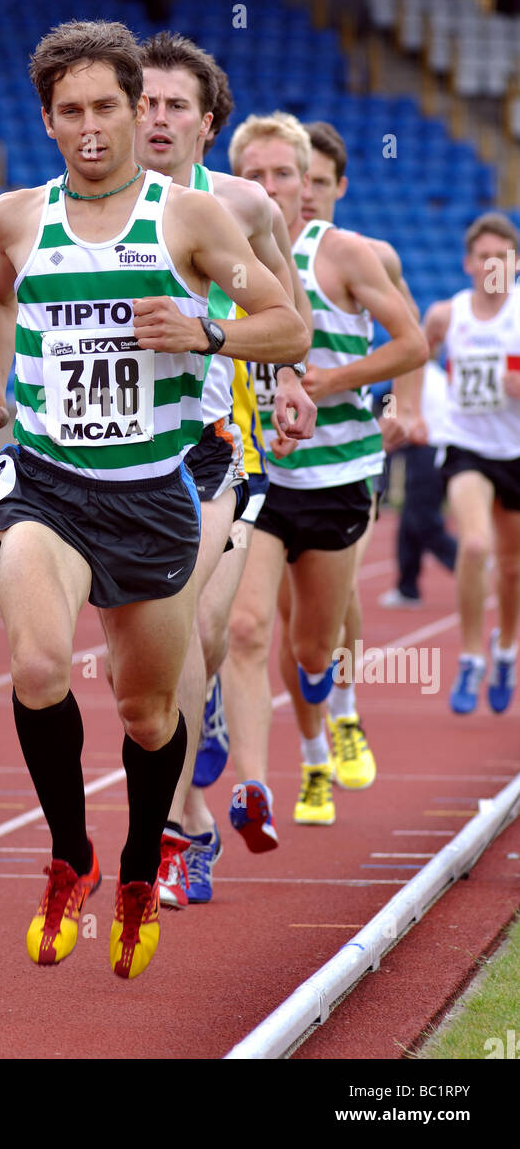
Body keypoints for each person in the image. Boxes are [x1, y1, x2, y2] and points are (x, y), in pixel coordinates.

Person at [0, 20, 309, 978]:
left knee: (149, 713)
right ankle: (70, 858)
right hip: (47, 487)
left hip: (153, 493)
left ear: (131, 108)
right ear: (48, 121)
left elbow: (285, 322)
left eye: (107, 107)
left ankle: (138, 862)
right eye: (69, 112)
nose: (92, 128)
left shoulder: (187, 219)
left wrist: (206, 332)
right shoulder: (17, 218)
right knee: (38, 667)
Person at [133, 33, 316, 906]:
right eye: (144, 102)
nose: (155, 118)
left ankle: (173, 832)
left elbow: (289, 317)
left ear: (208, 124)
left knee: (197, 625)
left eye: (174, 105)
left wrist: (284, 382)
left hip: (212, 450)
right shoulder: (87, 207)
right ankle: (195, 821)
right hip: (109, 464)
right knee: (148, 660)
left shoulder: (244, 206)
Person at [222, 111, 427, 829]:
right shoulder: (212, 246)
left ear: (319, 184)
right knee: (249, 627)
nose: (282, 189)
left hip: (339, 471)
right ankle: (304, 762)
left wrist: (339, 388)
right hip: (254, 478)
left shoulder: (347, 254)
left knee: (317, 638)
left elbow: (412, 344)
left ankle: (336, 705)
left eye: (293, 177)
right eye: (261, 175)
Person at [423, 212, 520, 714]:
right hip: (466, 447)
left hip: (516, 452)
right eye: (483, 256)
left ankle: (506, 648)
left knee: (511, 567)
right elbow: (414, 357)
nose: (491, 265)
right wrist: (412, 412)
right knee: (476, 542)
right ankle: (471, 654)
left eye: (502, 257)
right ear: (468, 263)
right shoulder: (446, 313)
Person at [379, 358, 458, 609]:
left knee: (422, 520)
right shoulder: (434, 374)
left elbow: (392, 414)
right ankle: (408, 587)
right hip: (437, 448)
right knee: (410, 522)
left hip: (429, 449)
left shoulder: (410, 375)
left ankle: (466, 564)